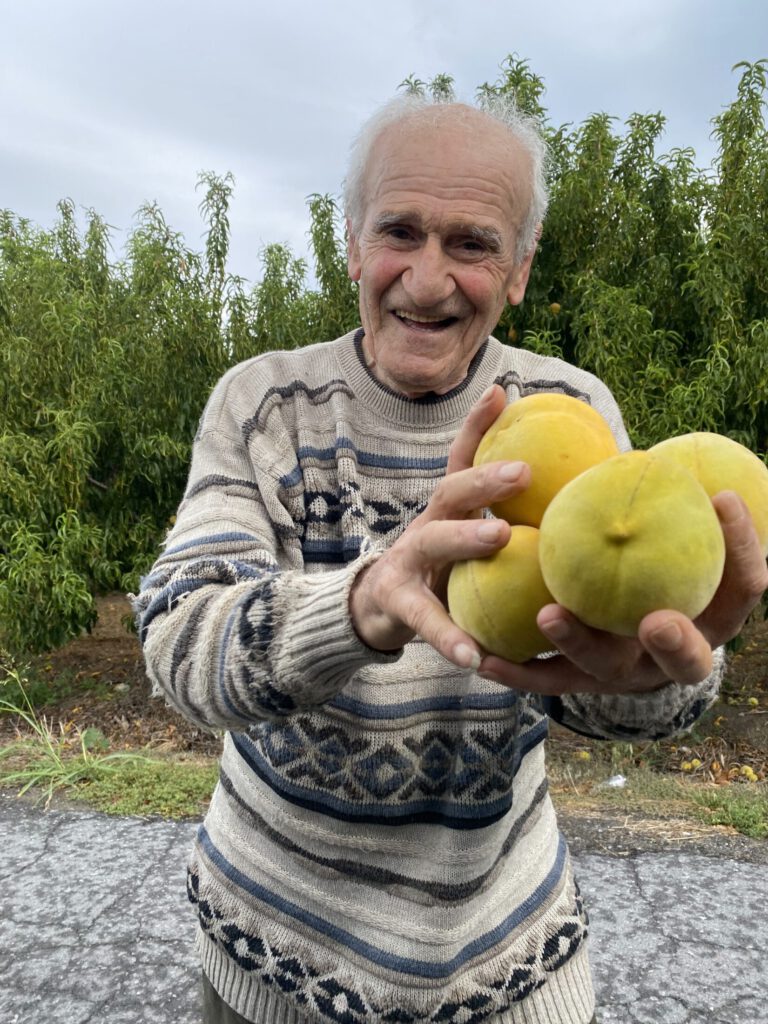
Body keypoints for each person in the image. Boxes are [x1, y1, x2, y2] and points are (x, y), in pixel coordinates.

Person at [133, 94, 767, 1024]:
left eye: (472, 243)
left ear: (519, 269)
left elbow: (599, 681)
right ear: (351, 243)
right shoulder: (265, 406)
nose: (427, 281)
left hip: (508, 960)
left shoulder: (573, 411)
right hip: (273, 950)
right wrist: (361, 604)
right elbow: (181, 645)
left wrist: (657, 678)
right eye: (399, 231)